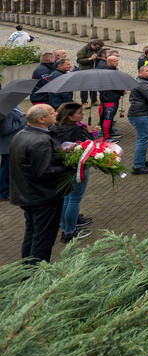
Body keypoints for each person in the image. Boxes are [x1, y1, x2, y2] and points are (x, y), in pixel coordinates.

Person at [10, 104, 66, 264]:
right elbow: (44, 172)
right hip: (43, 197)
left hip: (27, 195)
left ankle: (26, 269)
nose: (56, 114)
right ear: (41, 119)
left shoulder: (21, 134)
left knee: (32, 233)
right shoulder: (40, 141)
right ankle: (36, 271)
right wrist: (72, 166)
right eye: (52, 113)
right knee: (43, 238)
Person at [51, 103, 94, 242]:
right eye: (79, 113)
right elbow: (89, 148)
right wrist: (90, 133)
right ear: (69, 116)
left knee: (67, 198)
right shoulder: (75, 130)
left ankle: (65, 226)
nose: (82, 115)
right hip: (77, 169)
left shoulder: (54, 128)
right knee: (74, 199)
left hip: (62, 168)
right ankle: (70, 231)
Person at [0, 107, 26, 201]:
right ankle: (4, 192)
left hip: (11, 144)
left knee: (8, 168)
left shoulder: (10, 109)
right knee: (6, 170)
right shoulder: (6, 111)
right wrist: (24, 120)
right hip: (8, 145)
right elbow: (5, 129)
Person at [97, 52, 124, 141]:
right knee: (108, 117)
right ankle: (107, 137)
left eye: (117, 60)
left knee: (110, 117)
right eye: (114, 61)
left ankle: (109, 133)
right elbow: (113, 85)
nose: (117, 62)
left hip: (111, 97)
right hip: (109, 98)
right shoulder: (108, 72)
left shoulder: (111, 70)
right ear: (108, 62)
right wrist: (122, 91)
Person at [75, 39, 103, 107]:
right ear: (92, 45)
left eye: (99, 48)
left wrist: (98, 58)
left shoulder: (99, 49)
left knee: (93, 85)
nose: (98, 49)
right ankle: (84, 102)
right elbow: (79, 60)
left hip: (94, 69)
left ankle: (94, 100)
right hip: (85, 70)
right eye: (96, 47)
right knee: (84, 87)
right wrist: (90, 58)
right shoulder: (84, 50)